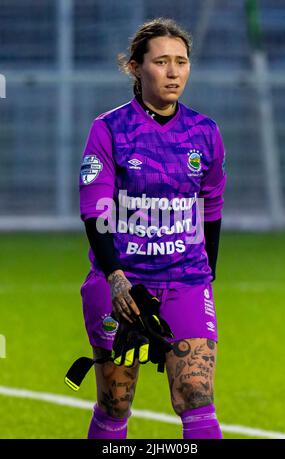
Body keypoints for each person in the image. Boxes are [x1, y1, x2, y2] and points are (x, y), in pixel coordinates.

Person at [79, 17, 226, 439]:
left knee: (197, 396)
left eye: (182, 61)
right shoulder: (109, 130)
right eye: (162, 62)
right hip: (122, 284)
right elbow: (95, 210)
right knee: (114, 403)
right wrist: (116, 278)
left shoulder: (206, 132)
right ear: (136, 68)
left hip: (185, 281)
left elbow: (211, 205)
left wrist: (206, 273)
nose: (174, 71)